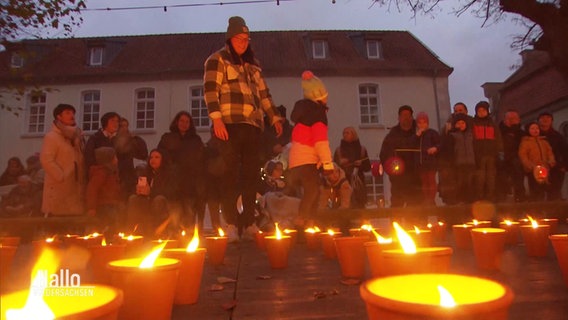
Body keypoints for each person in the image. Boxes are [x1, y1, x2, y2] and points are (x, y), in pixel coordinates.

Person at [203, 16, 283, 239]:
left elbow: (264, 95)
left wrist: (274, 117)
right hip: (228, 125)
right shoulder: (217, 60)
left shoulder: (253, 67)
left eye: (246, 38)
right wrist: (216, 119)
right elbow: (210, 90)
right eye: (238, 38)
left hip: (252, 126)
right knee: (229, 174)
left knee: (250, 176)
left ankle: (248, 222)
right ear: (230, 38)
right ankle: (230, 223)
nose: (243, 42)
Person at [286, 70, 334, 227]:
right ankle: (302, 221)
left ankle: (310, 223)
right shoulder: (317, 115)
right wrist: (328, 163)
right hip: (307, 160)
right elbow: (320, 141)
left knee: (312, 191)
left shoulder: (303, 115)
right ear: (320, 96)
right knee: (312, 192)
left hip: (296, 161)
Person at [158, 111, 207, 230]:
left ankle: (188, 240)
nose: (184, 124)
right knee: (174, 214)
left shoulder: (195, 140)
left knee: (189, 212)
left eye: (187, 121)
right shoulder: (167, 138)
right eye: (181, 121)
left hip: (190, 183)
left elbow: (201, 160)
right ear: (176, 122)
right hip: (173, 183)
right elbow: (161, 155)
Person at [127, 149, 178, 237]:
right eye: (151, 157)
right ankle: (132, 230)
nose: (153, 160)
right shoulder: (146, 173)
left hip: (164, 203)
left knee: (158, 200)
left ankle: (156, 232)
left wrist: (151, 192)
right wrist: (138, 190)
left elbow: (170, 192)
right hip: (147, 201)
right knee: (133, 199)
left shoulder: (169, 174)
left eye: (157, 157)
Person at [379, 105, 421, 207]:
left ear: (412, 117)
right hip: (398, 176)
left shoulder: (420, 132)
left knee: (416, 203)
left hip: (416, 174)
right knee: (397, 202)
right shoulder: (392, 135)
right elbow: (384, 154)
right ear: (399, 118)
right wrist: (391, 168)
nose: (406, 118)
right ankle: (396, 221)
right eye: (403, 115)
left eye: (408, 115)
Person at [439, 102, 473, 205]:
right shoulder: (448, 126)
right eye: (456, 111)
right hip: (456, 163)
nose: (458, 113)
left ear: (466, 111)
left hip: (472, 162)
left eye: (460, 110)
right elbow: (444, 144)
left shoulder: (473, 123)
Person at [85, 147, 123, 236]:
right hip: (104, 205)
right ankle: (108, 238)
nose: (117, 160)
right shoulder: (102, 173)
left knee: (114, 221)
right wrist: (92, 207)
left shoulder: (111, 172)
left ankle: (112, 236)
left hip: (111, 203)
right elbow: (92, 190)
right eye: (115, 157)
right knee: (109, 222)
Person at [471, 101, 502, 201]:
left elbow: (498, 138)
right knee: (480, 176)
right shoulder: (473, 124)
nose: (481, 112)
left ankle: (490, 195)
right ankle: (480, 196)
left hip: (491, 154)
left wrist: (499, 151)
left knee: (490, 176)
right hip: (479, 154)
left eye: (483, 110)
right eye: (479, 111)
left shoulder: (492, 124)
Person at [333, 126, 371, 208]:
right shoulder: (338, 151)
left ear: (353, 134)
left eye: (347, 133)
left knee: (359, 206)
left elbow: (367, 167)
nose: (345, 135)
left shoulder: (362, 150)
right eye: (344, 133)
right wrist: (341, 164)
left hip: (358, 182)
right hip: (343, 182)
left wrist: (361, 164)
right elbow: (334, 169)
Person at [518, 122, 556, 201]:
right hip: (533, 170)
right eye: (532, 128)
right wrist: (530, 165)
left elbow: (550, 152)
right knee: (535, 190)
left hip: (545, 169)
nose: (535, 130)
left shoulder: (544, 142)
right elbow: (523, 155)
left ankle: (544, 209)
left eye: (537, 128)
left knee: (545, 189)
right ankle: (535, 209)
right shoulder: (525, 143)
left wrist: (551, 161)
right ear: (528, 130)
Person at [114, 117, 148, 199]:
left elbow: (144, 155)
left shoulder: (135, 140)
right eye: (121, 126)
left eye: (126, 126)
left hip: (134, 175)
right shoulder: (113, 141)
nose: (124, 128)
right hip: (121, 176)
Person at [497, 109, 526, 202]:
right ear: (505, 120)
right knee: (503, 184)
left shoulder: (522, 134)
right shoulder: (498, 132)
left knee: (519, 183)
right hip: (502, 162)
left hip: (518, 163)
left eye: (514, 118)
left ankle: (520, 200)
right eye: (509, 118)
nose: (512, 120)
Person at [538, 112, 568, 200]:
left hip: (556, 167)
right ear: (538, 120)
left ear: (551, 121)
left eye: (548, 118)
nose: (545, 120)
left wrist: (564, 166)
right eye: (542, 117)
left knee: (555, 193)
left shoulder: (558, 136)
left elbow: (565, 151)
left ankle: (555, 212)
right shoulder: (534, 135)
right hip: (539, 167)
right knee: (539, 192)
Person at [414, 112, 440, 205]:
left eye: (424, 122)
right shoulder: (416, 135)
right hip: (420, 163)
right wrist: (417, 136)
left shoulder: (432, 133)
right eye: (419, 123)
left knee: (431, 179)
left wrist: (435, 148)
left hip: (430, 161)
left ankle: (431, 198)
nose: (422, 125)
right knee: (424, 181)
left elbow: (439, 144)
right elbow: (412, 144)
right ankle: (426, 198)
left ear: (427, 123)